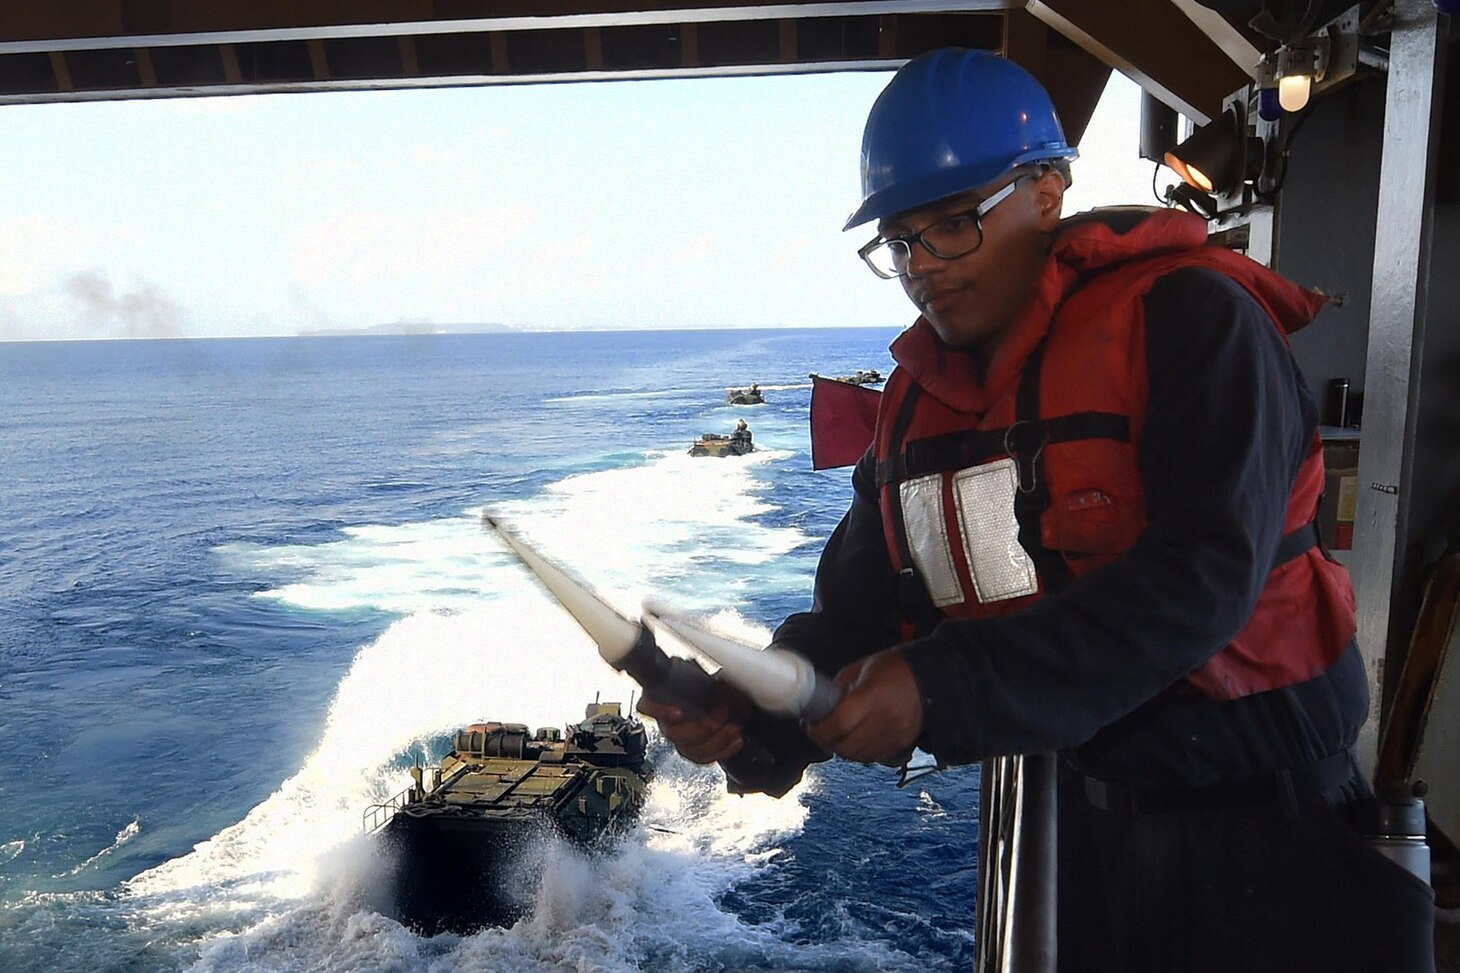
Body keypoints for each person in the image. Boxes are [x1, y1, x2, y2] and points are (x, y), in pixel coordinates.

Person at [639, 48, 1434, 971]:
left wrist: (941, 686)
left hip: (1272, 831)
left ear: (1047, 191)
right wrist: (757, 711)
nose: (923, 266)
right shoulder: (914, 402)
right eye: (899, 242)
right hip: (1083, 839)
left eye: (953, 225)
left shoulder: (1194, 323)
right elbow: (863, 616)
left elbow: (1202, 579)